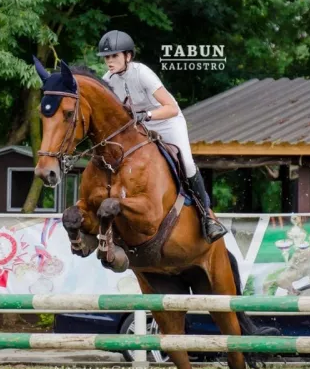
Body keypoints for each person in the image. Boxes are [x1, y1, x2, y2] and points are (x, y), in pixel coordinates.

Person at [97, 30, 227, 244]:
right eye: (107, 57)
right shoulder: (107, 81)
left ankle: (207, 217)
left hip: (166, 121)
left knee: (187, 163)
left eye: (114, 56)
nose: (109, 61)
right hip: (138, 127)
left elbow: (171, 108)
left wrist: (146, 115)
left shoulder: (142, 74)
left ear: (128, 56)